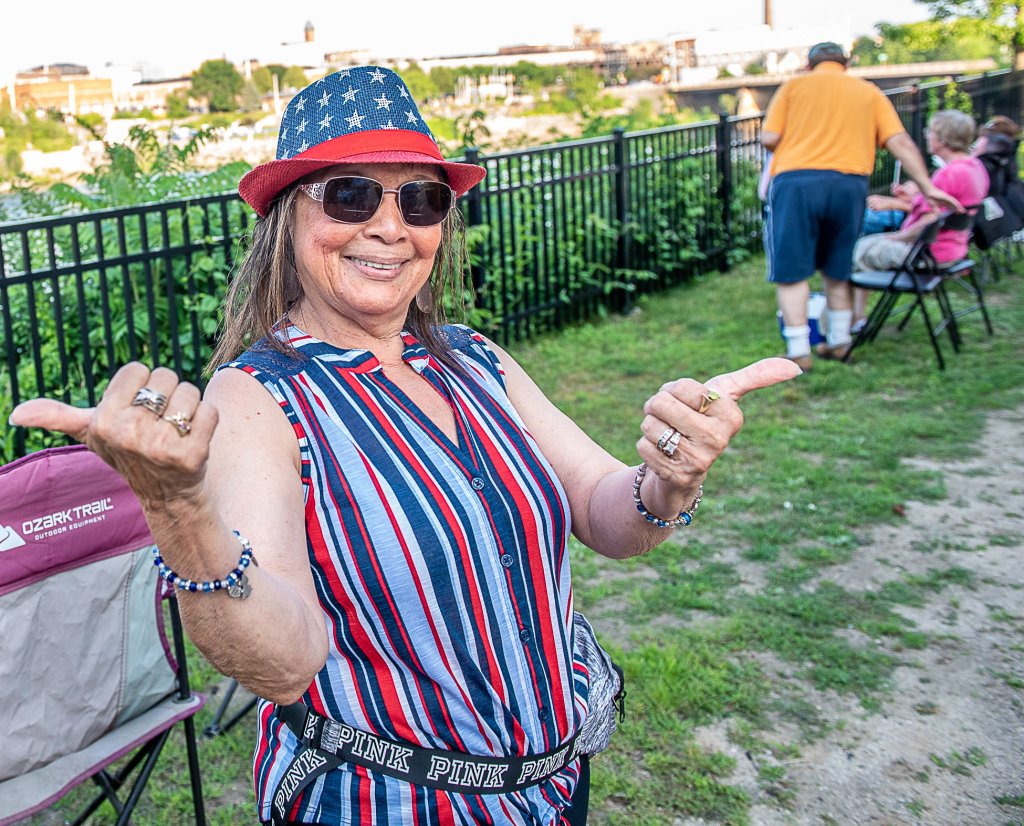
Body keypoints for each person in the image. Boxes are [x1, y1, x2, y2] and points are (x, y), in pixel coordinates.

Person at [9, 66, 801, 825]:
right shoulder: (258, 397)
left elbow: (603, 509)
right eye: (351, 194)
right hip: (393, 804)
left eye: (421, 200)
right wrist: (179, 509)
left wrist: (669, 479)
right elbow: (284, 661)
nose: (390, 226)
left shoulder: (474, 357)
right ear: (287, 217)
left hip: (555, 790)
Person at [761, 41, 963, 370]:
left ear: (809, 65)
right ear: (846, 64)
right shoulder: (868, 92)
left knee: (792, 271)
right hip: (848, 184)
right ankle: (840, 343)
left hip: (797, 183)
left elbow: (768, 138)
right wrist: (927, 188)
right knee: (838, 267)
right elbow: (899, 141)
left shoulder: (793, 87)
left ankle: (798, 352)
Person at [851, 110, 989, 328]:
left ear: (942, 139)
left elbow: (930, 220)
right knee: (865, 247)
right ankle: (856, 318)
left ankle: (850, 323)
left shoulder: (948, 174)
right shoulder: (975, 167)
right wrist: (913, 199)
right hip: (954, 249)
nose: (927, 135)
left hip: (927, 252)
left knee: (852, 252)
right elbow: (945, 211)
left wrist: (898, 237)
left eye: (930, 131)